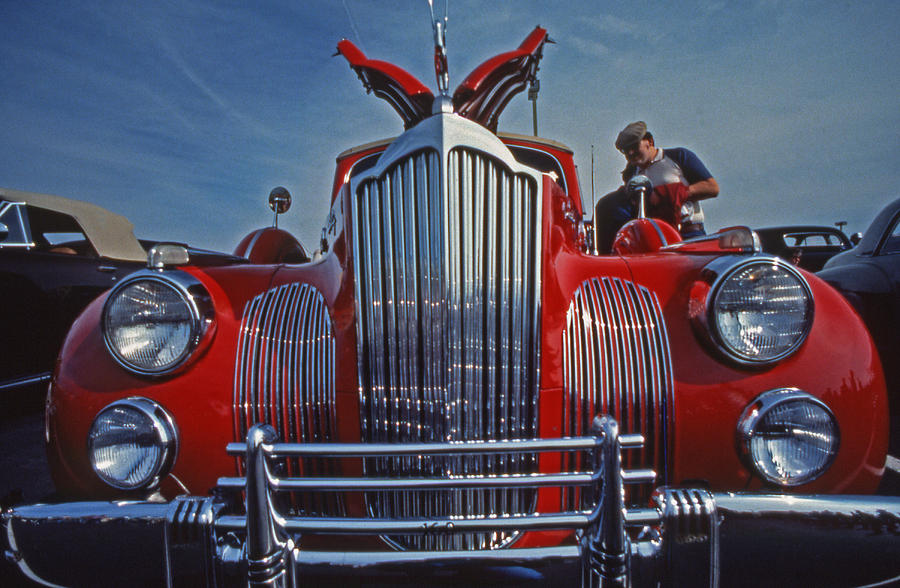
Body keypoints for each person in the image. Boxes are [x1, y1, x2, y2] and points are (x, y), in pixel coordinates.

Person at [614, 121, 719, 238]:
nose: (631, 153)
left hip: (689, 234)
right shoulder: (632, 175)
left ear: (650, 141)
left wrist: (672, 193)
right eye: (625, 150)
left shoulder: (678, 156)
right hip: (655, 238)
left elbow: (712, 187)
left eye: (634, 146)